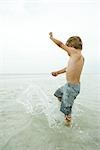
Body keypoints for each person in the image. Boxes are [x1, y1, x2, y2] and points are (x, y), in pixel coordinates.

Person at [49, 32, 84, 126]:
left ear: (73, 46)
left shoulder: (75, 53)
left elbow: (60, 44)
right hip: (68, 86)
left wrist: (52, 38)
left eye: (68, 47)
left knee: (66, 112)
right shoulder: (78, 57)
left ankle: (68, 125)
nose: (68, 51)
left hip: (71, 88)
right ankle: (66, 105)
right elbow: (68, 68)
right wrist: (57, 72)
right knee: (58, 94)